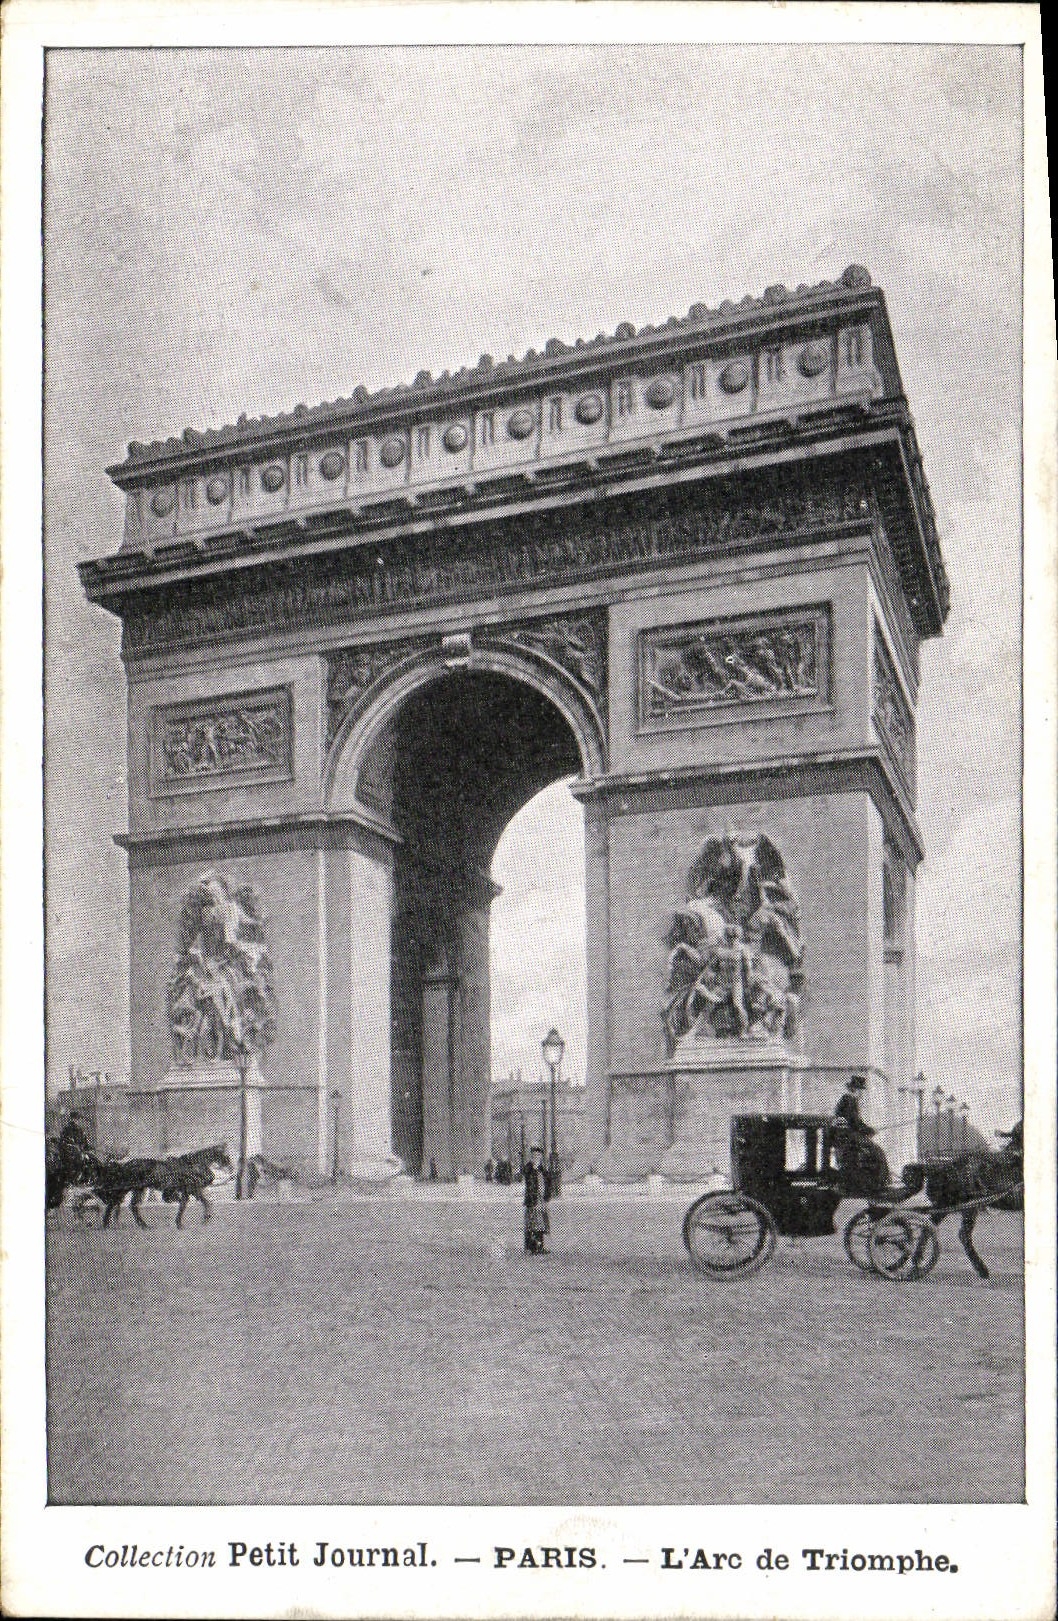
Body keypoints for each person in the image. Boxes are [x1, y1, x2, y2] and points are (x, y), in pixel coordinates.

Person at [833, 1075, 890, 1193]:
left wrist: (868, 1129)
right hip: (849, 1137)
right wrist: (870, 1130)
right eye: (860, 1090)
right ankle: (879, 1183)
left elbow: (855, 1122)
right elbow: (855, 1123)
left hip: (845, 1136)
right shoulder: (850, 1100)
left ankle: (876, 1182)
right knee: (877, 1151)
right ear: (854, 1089)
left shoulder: (845, 1100)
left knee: (874, 1150)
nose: (861, 1094)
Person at [523, 1147, 550, 1255]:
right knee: (531, 1224)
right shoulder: (529, 1167)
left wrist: (546, 1197)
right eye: (534, 1155)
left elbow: (548, 1182)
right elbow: (528, 1180)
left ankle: (540, 1246)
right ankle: (531, 1247)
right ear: (531, 1156)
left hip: (541, 1200)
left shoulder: (542, 1168)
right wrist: (534, 1170)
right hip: (532, 1200)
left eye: (538, 1156)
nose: (536, 1157)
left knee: (541, 1224)